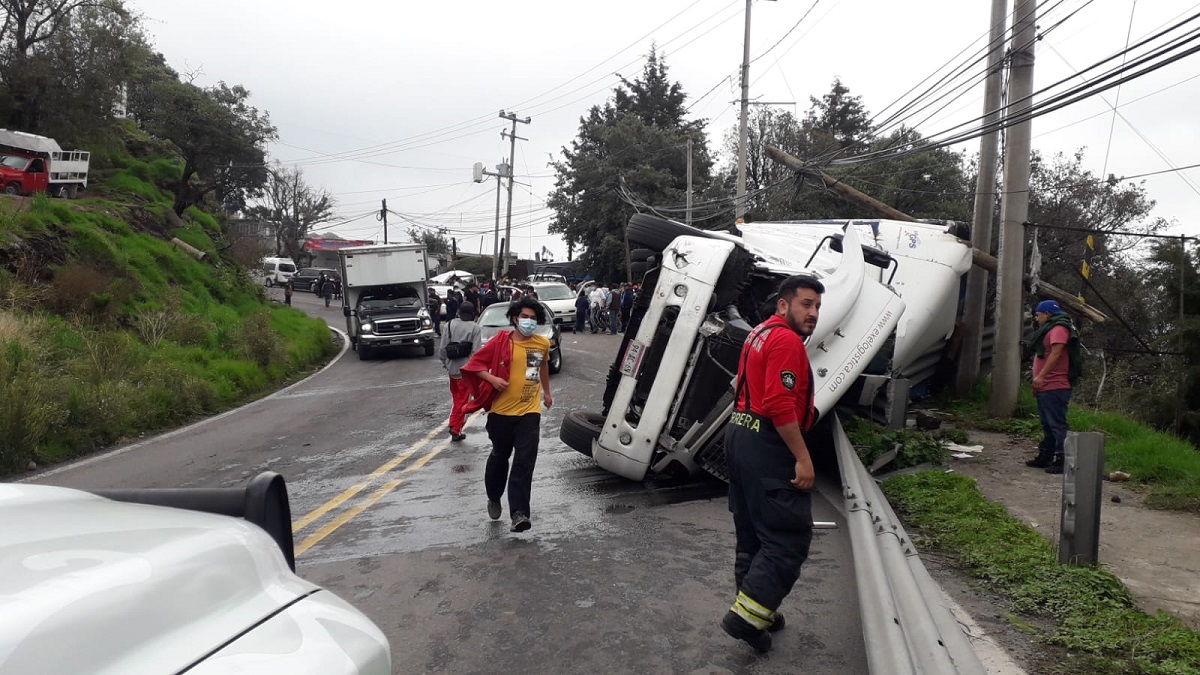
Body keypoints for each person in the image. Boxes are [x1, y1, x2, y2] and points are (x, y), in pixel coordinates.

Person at [720, 274, 823, 653]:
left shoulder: (758, 333)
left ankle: (756, 608)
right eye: (806, 304)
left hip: (740, 434)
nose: (812, 313)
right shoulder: (785, 340)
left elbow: (739, 385)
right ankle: (746, 619)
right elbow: (780, 404)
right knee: (786, 538)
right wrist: (802, 458)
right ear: (784, 305)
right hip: (766, 440)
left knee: (752, 534)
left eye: (816, 307)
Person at [460, 297, 553, 533]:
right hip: (501, 413)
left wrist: (547, 393)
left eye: (533, 318)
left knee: (524, 462)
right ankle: (493, 496)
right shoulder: (501, 342)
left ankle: (519, 513)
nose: (529, 322)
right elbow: (473, 365)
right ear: (515, 318)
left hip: (529, 412)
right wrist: (493, 379)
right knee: (500, 457)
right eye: (525, 317)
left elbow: (540, 367)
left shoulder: (541, 344)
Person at [1024, 299, 1080, 474]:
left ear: (1047, 314)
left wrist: (1040, 377)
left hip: (1055, 385)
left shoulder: (1058, 329)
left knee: (1057, 424)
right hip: (1045, 386)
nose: (1037, 318)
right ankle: (1046, 455)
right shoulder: (1049, 329)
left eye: (1038, 315)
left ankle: (1063, 459)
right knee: (1047, 424)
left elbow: (1056, 354)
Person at [440, 304, 482, 441]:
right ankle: (456, 429)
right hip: (466, 370)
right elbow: (476, 351)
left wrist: (445, 363)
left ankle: (453, 423)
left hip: (452, 369)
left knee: (456, 398)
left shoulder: (449, 325)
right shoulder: (475, 328)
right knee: (463, 401)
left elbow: (443, 348)